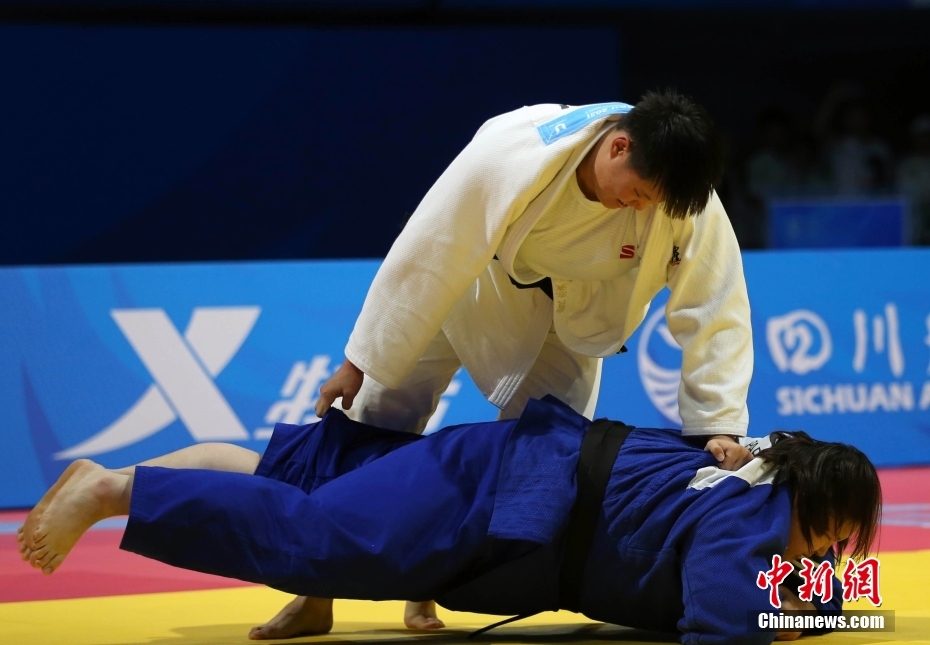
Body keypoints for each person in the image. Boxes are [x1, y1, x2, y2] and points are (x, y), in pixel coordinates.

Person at [311, 90, 754, 631]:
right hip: (472, 289)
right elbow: (427, 252)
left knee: (541, 464)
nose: (642, 209)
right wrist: (360, 361)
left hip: (574, 323)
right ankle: (312, 589)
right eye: (637, 194)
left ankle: (429, 582)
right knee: (377, 420)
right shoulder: (510, 152)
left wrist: (718, 422)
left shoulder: (684, 195)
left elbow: (715, 307)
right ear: (618, 147)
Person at [18, 396, 881, 645]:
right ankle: (114, 489)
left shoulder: (755, 464)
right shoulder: (756, 515)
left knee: (303, 493)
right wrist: (836, 601)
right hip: (497, 500)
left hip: (501, 472)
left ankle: (143, 481)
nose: (833, 555)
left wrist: (836, 594)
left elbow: (796, 593)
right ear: (822, 506)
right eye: (837, 538)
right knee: (315, 540)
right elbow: (724, 622)